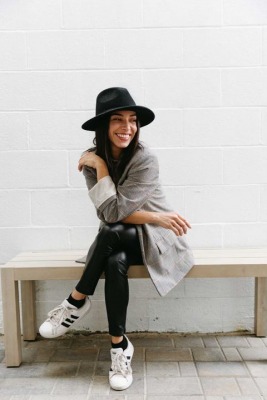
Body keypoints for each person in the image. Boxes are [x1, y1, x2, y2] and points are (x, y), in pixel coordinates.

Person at [39, 87, 195, 391]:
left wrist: (156, 220)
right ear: (104, 126)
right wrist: (99, 167)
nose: (127, 128)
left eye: (133, 120)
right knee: (114, 261)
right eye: (118, 120)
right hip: (118, 241)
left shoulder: (145, 159)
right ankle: (119, 347)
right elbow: (109, 212)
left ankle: (76, 300)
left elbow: (114, 213)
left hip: (154, 240)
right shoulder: (93, 160)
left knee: (112, 232)